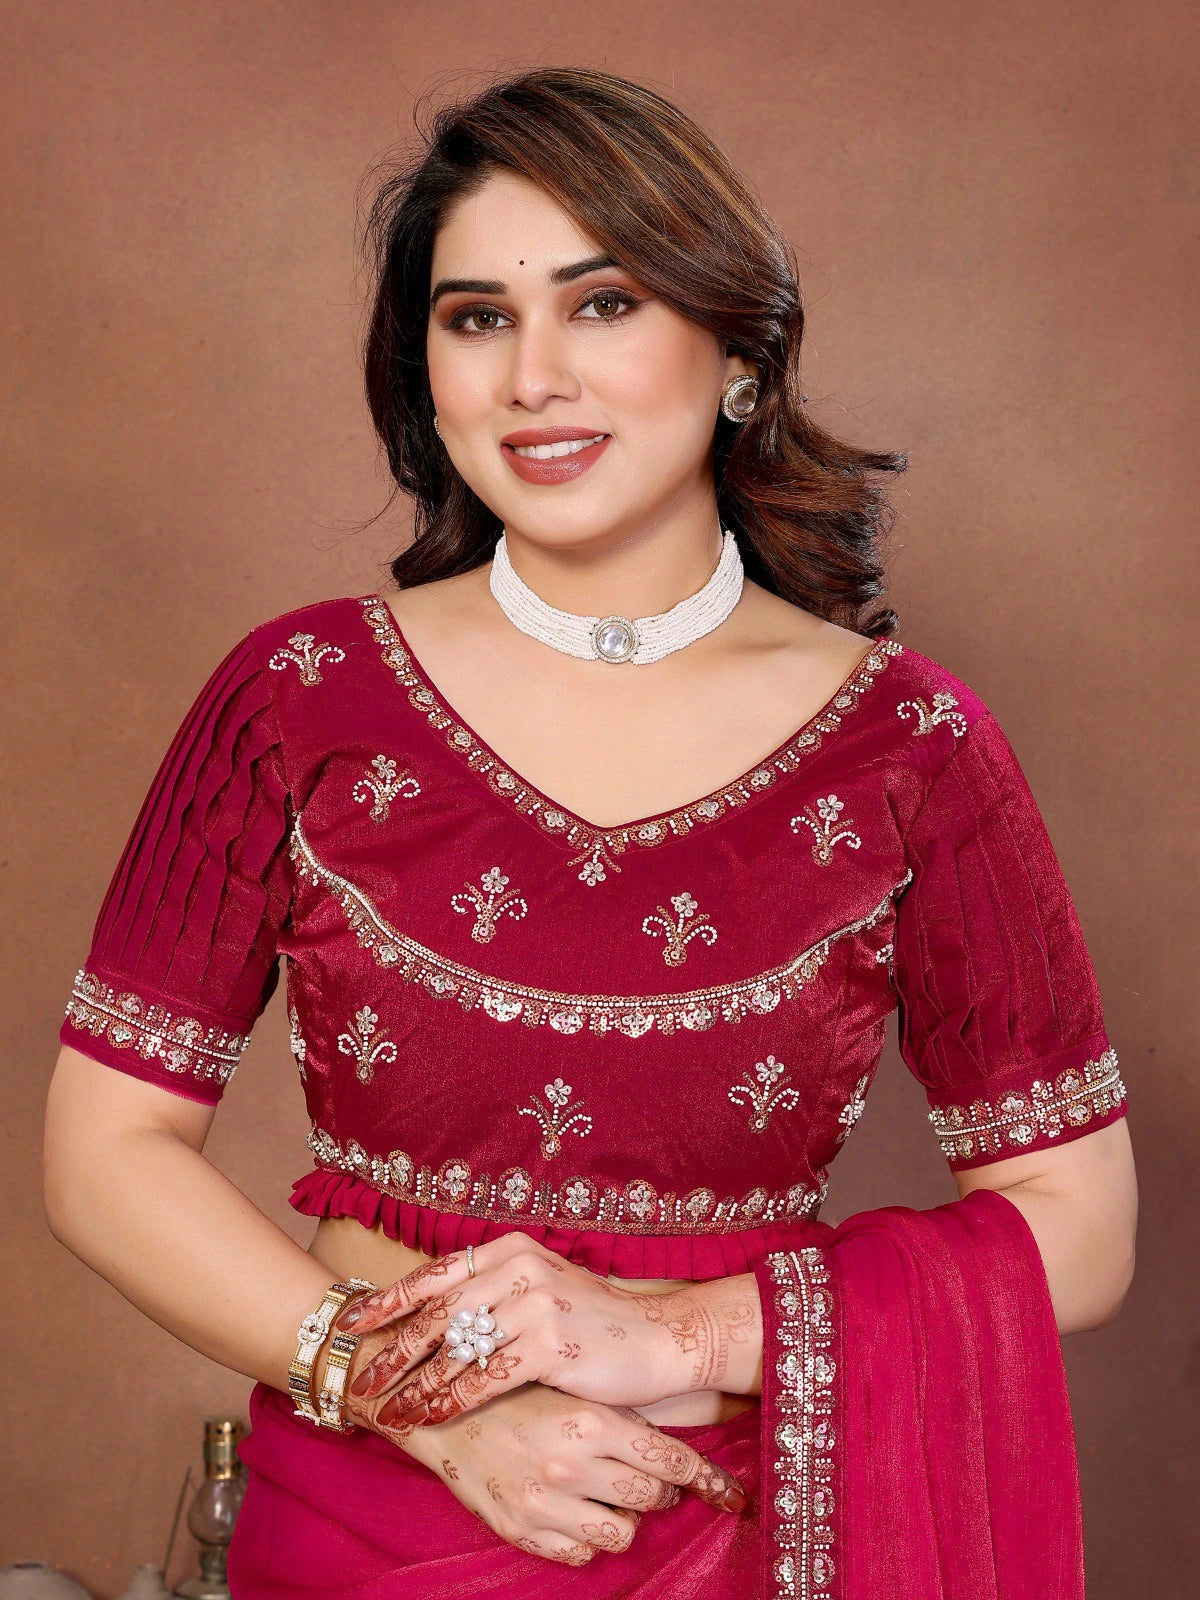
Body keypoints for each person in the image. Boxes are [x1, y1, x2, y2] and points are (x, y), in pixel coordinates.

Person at [43, 66, 1137, 1599]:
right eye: (476, 317)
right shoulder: (298, 699)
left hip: (742, 1535)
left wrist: (672, 1336)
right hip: (364, 1526)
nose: (532, 375)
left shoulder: (912, 746)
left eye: (601, 304)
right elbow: (105, 1151)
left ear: (739, 352)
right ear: (424, 374)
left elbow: (1078, 1229)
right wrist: (421, 1404)